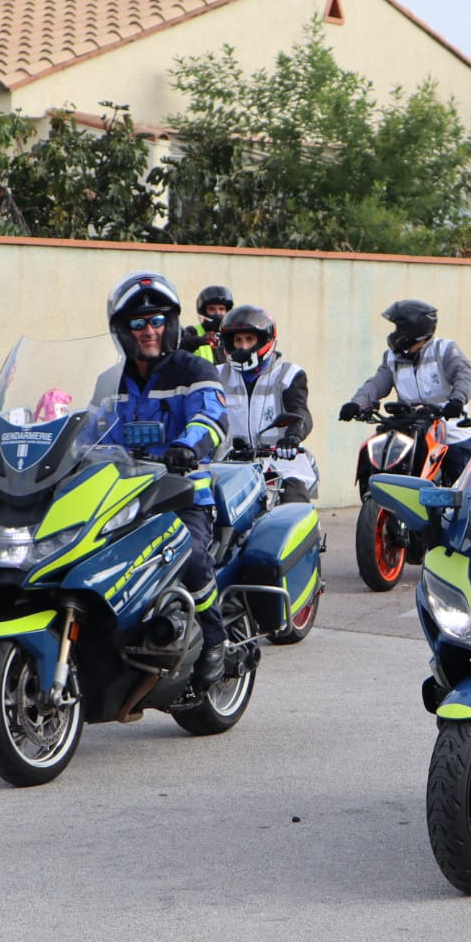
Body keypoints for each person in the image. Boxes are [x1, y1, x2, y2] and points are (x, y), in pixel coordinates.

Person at [97, 271, 230, 685]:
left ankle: (214, 640)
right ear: (123, 330)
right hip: (122, 497)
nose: (149, 330)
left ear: (170, 324)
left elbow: (212, 417)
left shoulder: (193, 370)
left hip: (182, 495)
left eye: (157, 320)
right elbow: (90, 429)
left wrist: (188, 446)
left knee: (189, 554)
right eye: (138, 323)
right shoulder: (110, 380)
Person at [339, 299, 471, 485]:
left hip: (448, 426)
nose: (394, 334)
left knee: (459, 481)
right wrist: (356, 403)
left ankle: (459, 499)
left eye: (399, 328)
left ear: (414, 329)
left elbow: (466, 375)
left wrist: (457, 400)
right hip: (409, 426)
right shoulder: (392, 357)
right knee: (379, 454)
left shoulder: (443, 350)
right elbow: (376, 384)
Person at [216, 304, 318, 504]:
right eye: (238, 340)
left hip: (281, 461)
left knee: (294, 505)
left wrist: (293, 436)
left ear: (264, 340)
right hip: (231, 465)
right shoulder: (217, 375)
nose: (243, 346)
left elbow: (300, 411)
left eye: (249, 339)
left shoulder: (288, 374)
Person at [180, 285, 233, 364]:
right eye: (212, 309)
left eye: (221, 309)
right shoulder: (193, 331)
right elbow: (181, 346)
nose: (217, 313)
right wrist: (201, 340)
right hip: (201, 372)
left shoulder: (231, 334)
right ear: (204, 311)